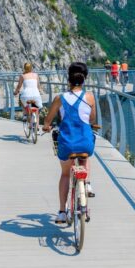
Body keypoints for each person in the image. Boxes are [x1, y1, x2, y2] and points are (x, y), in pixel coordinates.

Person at [43, 62, 96, 224]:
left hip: (67, 144)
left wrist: (46, 126)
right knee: (85, 156)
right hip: (85, 143)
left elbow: (48, 120)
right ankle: (86, 184)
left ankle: (61, 212)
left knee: (65, 174)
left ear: (69, 80)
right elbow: (92, 119)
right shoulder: (90, 97)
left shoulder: (60, 98)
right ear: (83, 79)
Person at [14, 62, 43, 128]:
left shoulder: (22, 76)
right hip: (36, 95)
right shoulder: (36, 75)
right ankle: (37, 126)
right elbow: (38, 86)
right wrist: (39, 91)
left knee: (23, 103)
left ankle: (25, 115)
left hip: (26, 95)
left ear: (24, 68)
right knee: (37, 110)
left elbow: (19, 86)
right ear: (31, 68)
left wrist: (16, 92)